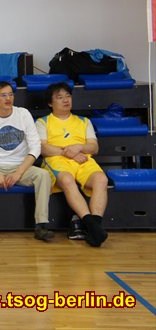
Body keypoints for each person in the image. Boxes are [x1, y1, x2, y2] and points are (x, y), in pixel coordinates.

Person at [0, 81, 54, 243]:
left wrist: (19, 172)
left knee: (43, 176)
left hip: (21, 166)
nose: (8, 98)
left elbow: (36, 147)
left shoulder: (23, 114)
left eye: (11, 94)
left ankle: (41, 226)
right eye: (3, 95)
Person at [36, 82, 109, 247]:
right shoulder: (43, 122)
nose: (65, 100)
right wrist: (69, 152)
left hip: (83, 159)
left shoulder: (84, 121)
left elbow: (94, 147)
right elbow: (43, 148)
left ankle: (95, 227)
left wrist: (80, 147)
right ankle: (92, 226)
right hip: (56, 160)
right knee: (67, 180)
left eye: (68, 96)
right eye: (60, 97)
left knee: (101, 179)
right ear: (50, 103)